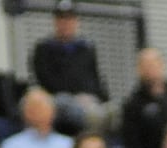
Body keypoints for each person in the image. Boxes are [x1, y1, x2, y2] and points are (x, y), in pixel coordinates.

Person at [30, 0, 110, 136]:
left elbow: (95, 79)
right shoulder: (43, 49)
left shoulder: (86, 48)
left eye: (69, 19)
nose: (66, 23)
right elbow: (45, 80)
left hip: (86, 101)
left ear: (76, 21)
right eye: (62, 19)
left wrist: (96, 97)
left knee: (109, 111)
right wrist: (76, 96)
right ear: (55, 22)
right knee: (66, 102)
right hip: (58, 100)